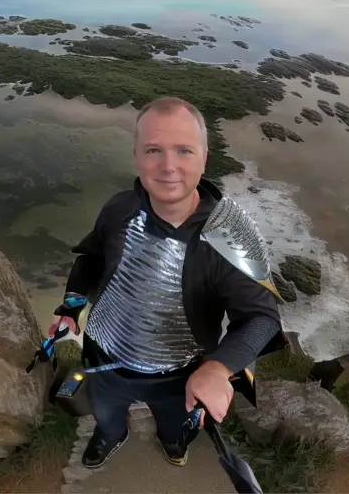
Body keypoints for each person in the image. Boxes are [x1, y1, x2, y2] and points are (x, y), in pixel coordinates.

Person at [48, 96, 287, 469]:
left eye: (184, 151)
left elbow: (262, 319)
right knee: (106, 410)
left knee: (175, 423)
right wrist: (72, 307)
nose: (168, 166)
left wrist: (218, 368)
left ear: (205, 157)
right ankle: (111, 433)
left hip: (178, 372)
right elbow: (90, 259)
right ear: (137, 156)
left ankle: (173, 441)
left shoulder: (230, 237)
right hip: (103, 354)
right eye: (154, 150)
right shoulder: (119, 207)